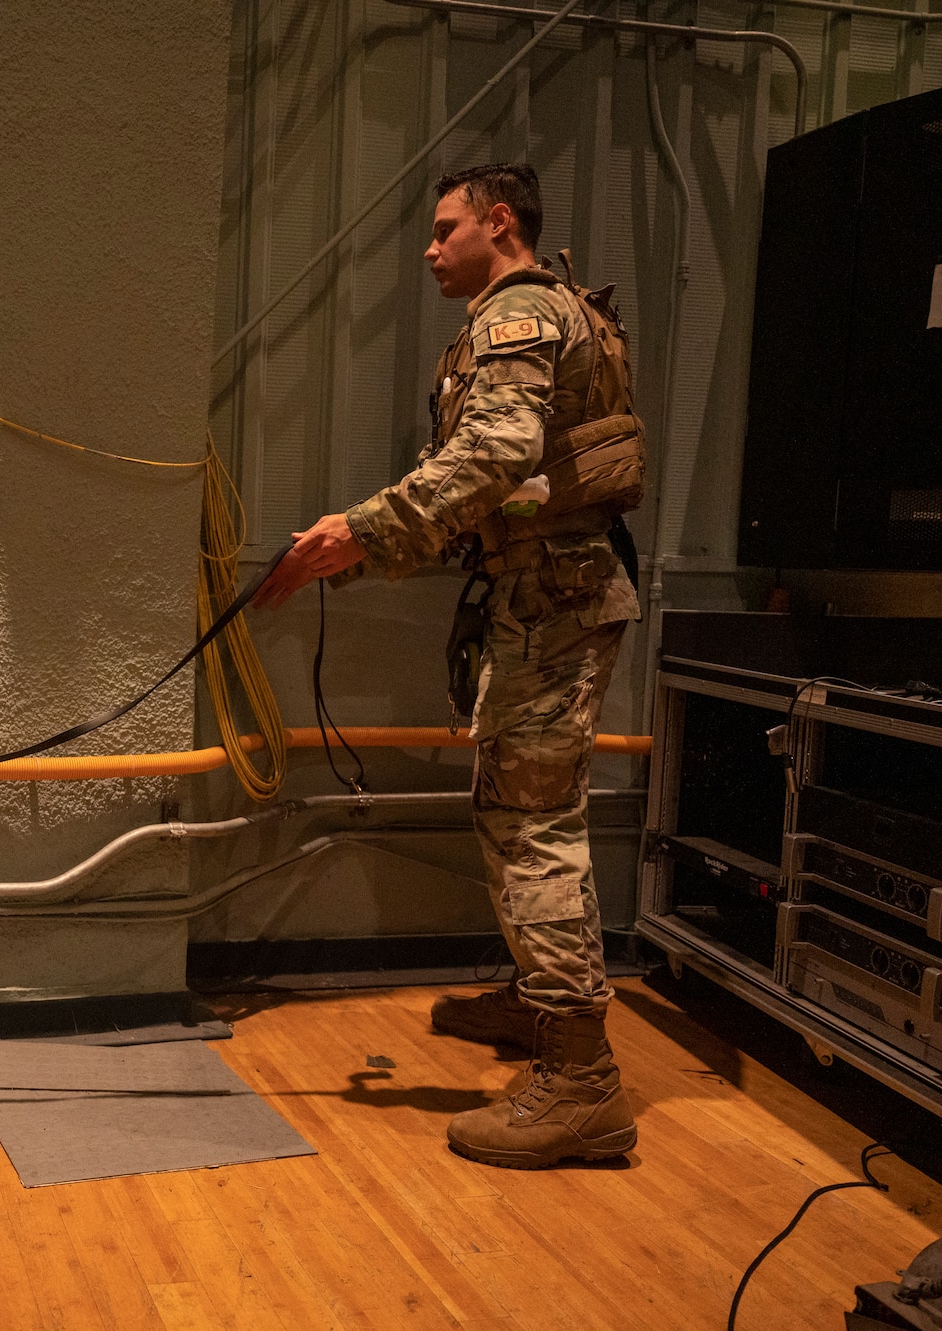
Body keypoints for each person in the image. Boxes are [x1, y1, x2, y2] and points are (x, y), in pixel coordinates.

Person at [252, 163, 644, 1169]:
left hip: (549, 606)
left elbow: (495, 454)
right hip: (546, 598)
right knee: (515, 808)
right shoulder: (561, 310)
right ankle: (534, 1003)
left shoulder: (513, 315)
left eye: (442, 228)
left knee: (532, 823)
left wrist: (359, 531)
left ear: (496, 222)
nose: (429, 248)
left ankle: (579, 1079)